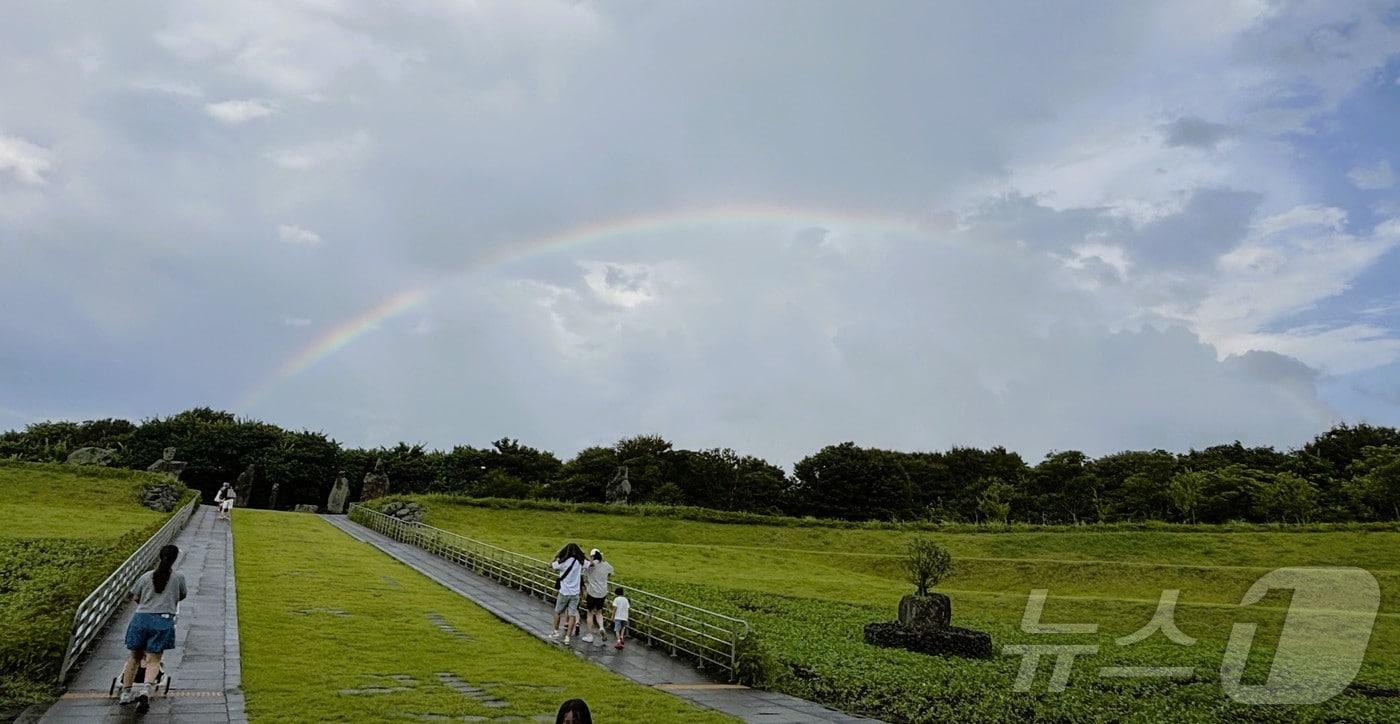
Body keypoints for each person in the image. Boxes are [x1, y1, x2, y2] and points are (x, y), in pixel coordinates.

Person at [118, 544, 186, 706]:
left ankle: (126, 693)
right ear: (175, 559)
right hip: (162, 621)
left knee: (134, 657)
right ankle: (146, 691)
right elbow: (181, 595)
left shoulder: (146, 576)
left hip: (141, 619)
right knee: (154, 659)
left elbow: (135, 596)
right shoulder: (178, 578)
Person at [548, 543, 586, 644]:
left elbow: (550, 565)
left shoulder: (562, 562)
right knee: (572, 615)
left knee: (558, 612)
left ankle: (555, 631)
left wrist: (556, 556)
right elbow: (591, 564)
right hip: (575, 593)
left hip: (564, 592)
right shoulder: (580, 561)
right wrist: (583, 555)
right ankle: (568, 637)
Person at [581, 548, 614, 644]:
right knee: (599, 612)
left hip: (592, 592)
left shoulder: (591, 566)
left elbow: (584, 574)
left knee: (590, 613)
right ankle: (601, 627)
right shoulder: (606, 565)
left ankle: (589, 635)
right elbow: (611, 572)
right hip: (602, 592)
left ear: (592, 556)